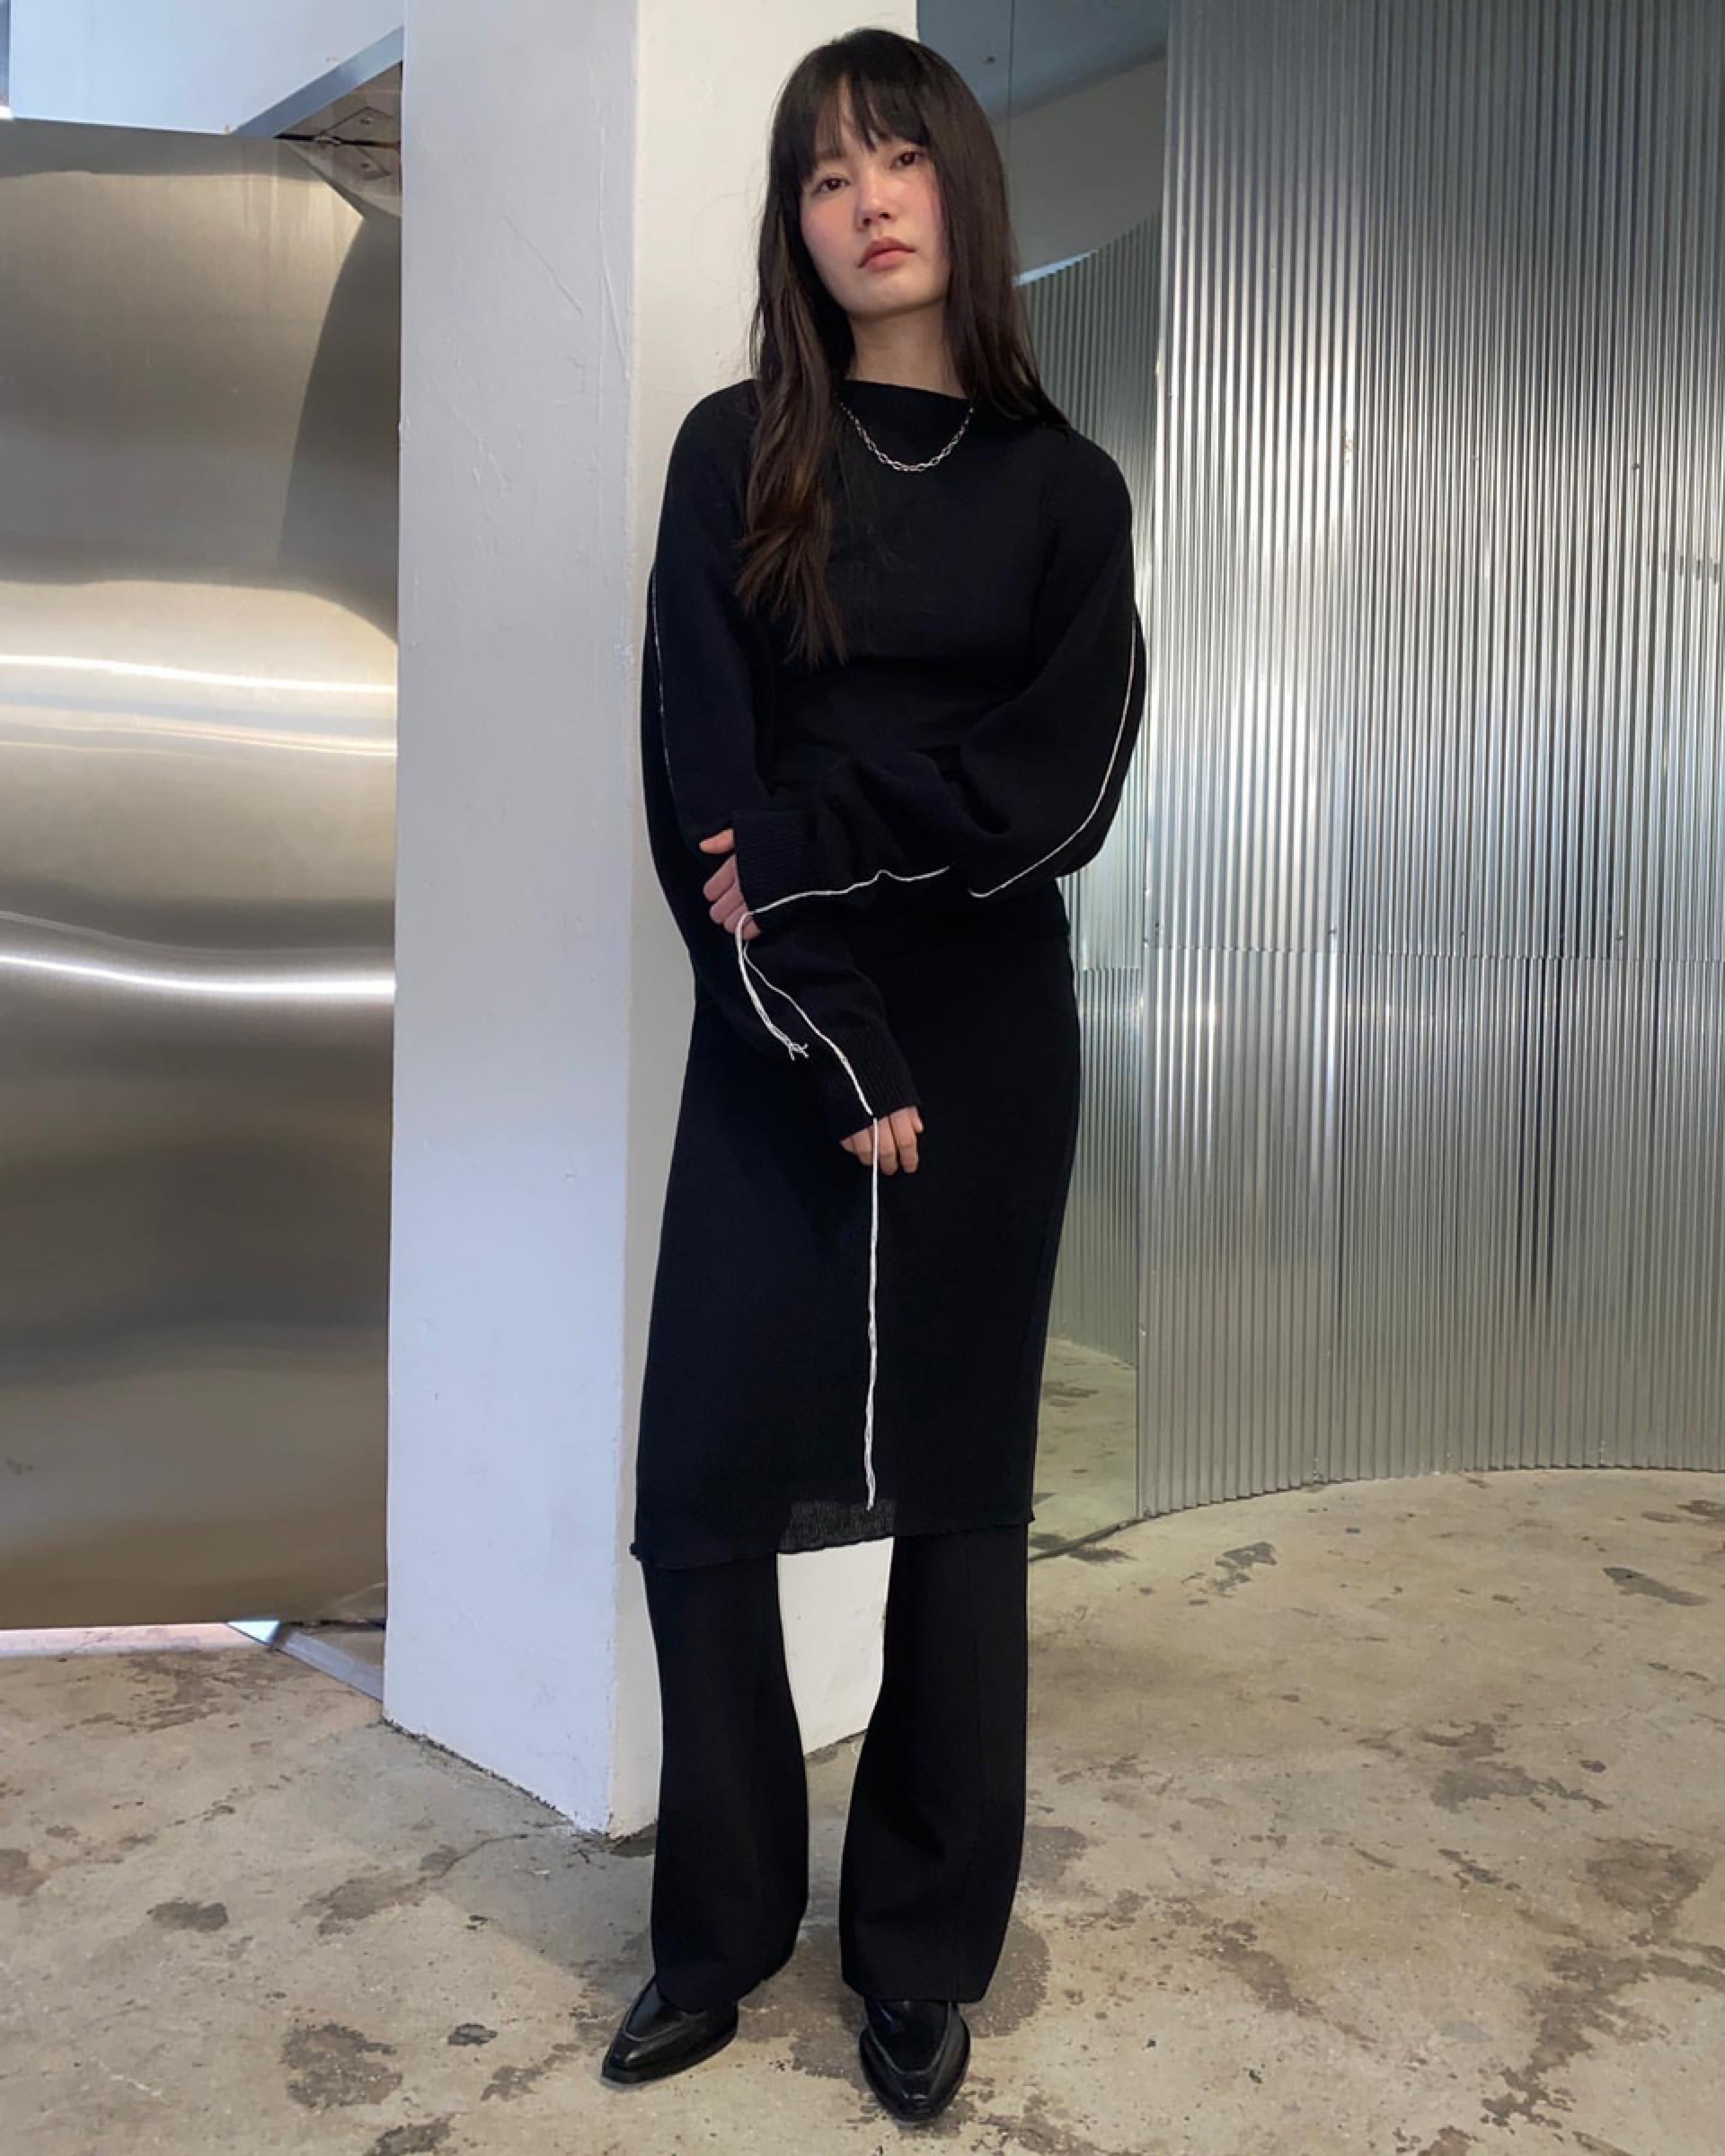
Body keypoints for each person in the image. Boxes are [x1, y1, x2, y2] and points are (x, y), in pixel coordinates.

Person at [603, 26, 1146, 2125]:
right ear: (796, 224)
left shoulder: (1064, 491)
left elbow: (1055, 796)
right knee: (705, 1483)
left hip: (989, 1033)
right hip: (781, 1013)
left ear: (960, 192)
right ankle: (720, 1928)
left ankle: (917, 1949)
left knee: (959, 1493)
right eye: (822, 176)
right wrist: (821, 1023)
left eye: (896, 159)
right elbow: (703, 788)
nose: (865, 202)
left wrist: (827, 836)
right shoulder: (734, 455)